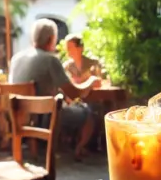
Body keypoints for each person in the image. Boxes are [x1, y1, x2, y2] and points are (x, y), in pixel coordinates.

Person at [10, 19, 99, 160]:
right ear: (51, 39)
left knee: (64, 106)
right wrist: (91, 81)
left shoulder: (16, 58)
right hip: (44, 117)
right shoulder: (50, 60)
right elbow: (74, 93)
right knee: (87, 112)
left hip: (18, 113)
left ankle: (51, 147)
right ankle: (79, 149)